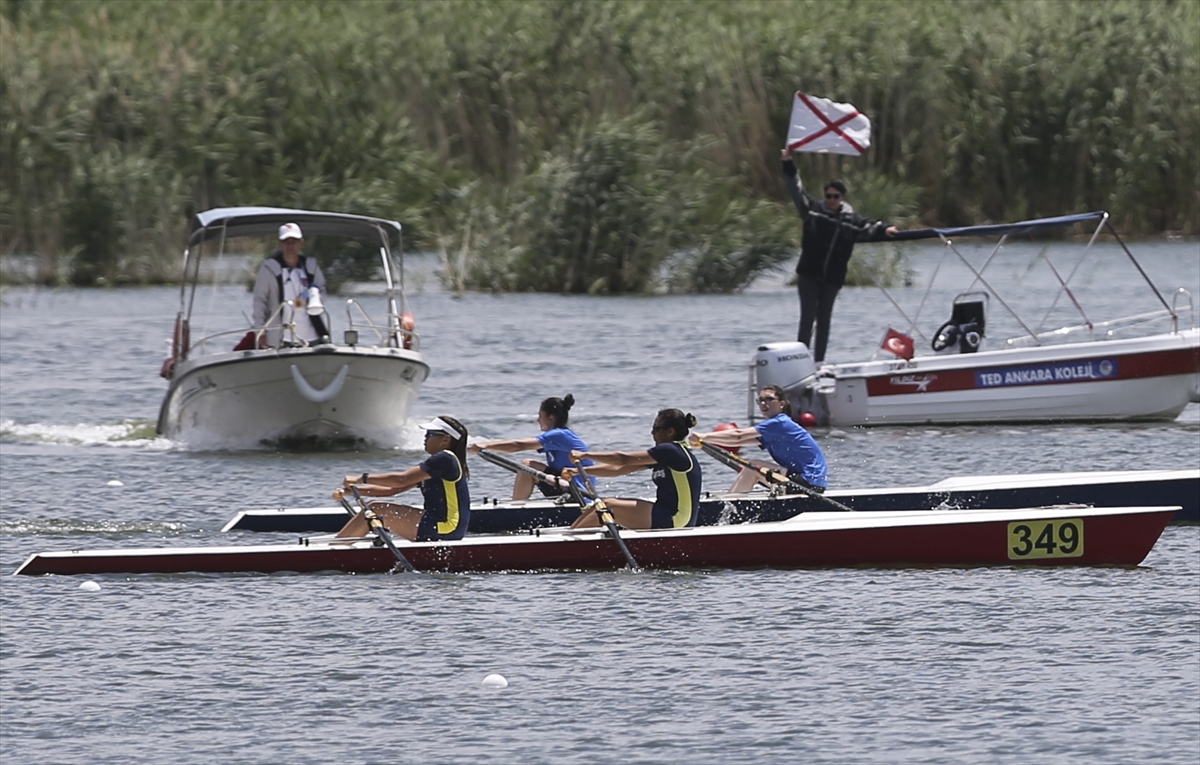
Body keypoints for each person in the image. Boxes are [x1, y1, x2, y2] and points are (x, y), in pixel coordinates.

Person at [781, 149, 899, 363]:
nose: (831, 200)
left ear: (842, 198)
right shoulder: (813, 210)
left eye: (835, 197)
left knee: (824, 319)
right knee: (807, 318)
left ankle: (818, 362)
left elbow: (869, 226)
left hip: (832, 278)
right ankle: (800, 360)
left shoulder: (850, 219)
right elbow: (795, 189)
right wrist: (788, 164)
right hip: (809, 273)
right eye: (828, 196)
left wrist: (887, 229)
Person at [334, 415, 470, 542]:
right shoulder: (440, 463)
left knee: (376, 509)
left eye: (430, 434)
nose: (425, 437)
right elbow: (391, 490)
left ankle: (335, 550)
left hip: (446, 527)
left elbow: (401, 479)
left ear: (446, 440)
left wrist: (361, 478)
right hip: (442, 525)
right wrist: (353, 491)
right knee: (375, 507)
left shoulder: (445, 458)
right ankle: (340, 547)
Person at [562, 408, 702, 531]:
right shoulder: (667, 454)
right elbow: (618, 469)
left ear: (670, 431)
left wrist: (585, 455)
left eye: (656, 428)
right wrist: (580, 471)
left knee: (608, 505)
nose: (652, 433)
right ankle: (571, 535)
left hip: (676, 519)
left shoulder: (671, 450)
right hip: (667, 515)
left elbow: (623, 458)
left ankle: (566, 545)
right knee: (602, 504)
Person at [690, 385, 827, 494]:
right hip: (806, 481)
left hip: (808, 482)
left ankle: (730, 505)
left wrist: (704, 436)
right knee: (751, 466)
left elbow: (739, 435)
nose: (763, 403)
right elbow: (739, 441)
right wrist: (705, 442)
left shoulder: (780, 423)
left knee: (753, 467)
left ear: (781, 404)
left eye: (768, 399)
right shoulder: (775, 428)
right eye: (760, 400)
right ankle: (733, 498)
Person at [468, 393, 594, 499]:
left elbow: (519, 446)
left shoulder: (559, 435)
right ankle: (518, 504)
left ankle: (516, 509)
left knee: (527, 465)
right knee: (529, 467)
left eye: (540, 415)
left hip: (579, 495)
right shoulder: (560, 435)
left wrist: (485, 445)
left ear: (551, 418)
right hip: (568, 486)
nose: (538, 420)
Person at [251, 222, 329, 348]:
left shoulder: (311, 266)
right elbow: (260, 300)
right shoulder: (269, 268)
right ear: (280, 244)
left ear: (301, 243)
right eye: (286, 241)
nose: (290, 245)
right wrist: (260, 332)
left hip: (312, 336)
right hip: (280, 337)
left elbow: (323, 291)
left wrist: (314, 297)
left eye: (294, 241)